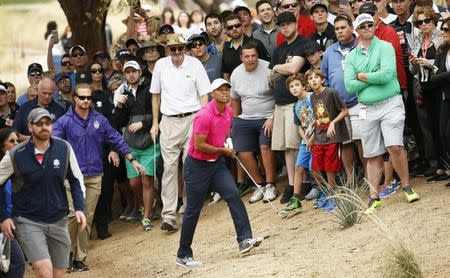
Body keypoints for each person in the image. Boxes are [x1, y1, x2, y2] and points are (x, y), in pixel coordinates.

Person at [53, 83, 145, 271]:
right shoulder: (64, 121)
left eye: (89, 98)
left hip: (95, 175)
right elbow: (53, 142)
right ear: (74, 98)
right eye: (82, 97)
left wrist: (132, 159)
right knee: (72, 215)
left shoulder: (99, 119)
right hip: (72, 177)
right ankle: (67, 255)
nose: (86, 101)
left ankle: (80, 257)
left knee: (86, 216)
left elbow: (116, 139)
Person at [176, 78, 263, 268]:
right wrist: (223, 150)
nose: (224, 92)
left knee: (233, 195)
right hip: (197, 166)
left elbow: (223, 135)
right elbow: (199, 145)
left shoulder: (229, 111)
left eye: (227, 89)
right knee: (193, 210)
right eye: (220, 90)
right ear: (212, 94)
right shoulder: (203, 115)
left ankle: (244, 240)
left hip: (215, 165)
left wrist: (226, 143)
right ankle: (183, 254)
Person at [344, 14, 420, 214]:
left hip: (390, 103)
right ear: (357, 31)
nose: (367, 27)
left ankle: (406, 186)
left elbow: (387, 75)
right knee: (371, 153)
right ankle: (374, 196)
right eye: (363, 25)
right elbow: (349, 85)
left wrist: (361, 75)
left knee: (394, 146)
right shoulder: (351, 56)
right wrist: (372, 75)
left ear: (375, 26)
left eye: (370, 24)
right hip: (366, 108)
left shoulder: (385, 47)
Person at [0, 107, 86, 278]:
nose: (44, 126)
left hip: (58, 218)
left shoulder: (64, 148)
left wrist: (79, 208)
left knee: (58, 273)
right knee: (44, 271)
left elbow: (76, 179)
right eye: (39, 124)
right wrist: (3, 216)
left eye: (48, 123)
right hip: (27, 220)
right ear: (30, 127)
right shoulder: (15, 154)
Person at [150, 34, 211, 232]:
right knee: (169, 168)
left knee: (190, 165)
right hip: (168, 120)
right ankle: (169, 215)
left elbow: (204, 94)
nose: (176, 52)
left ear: (185, 48)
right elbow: (155, 95)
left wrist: (202, 119)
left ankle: (190, 208)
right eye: (172, 49)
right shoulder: (160, 65)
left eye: (180, 48)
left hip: (192, 118)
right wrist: (155, 122)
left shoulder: (194, 64)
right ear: (167, 49)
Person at [268, 12, 311, 204]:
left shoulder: (303, 43)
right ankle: (293, 184)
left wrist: (278, 68)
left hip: (297, 103)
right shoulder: (279, 49)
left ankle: (306, 182)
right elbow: (270, 77)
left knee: (299, 144)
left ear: (296, 24)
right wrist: (279, 67)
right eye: (282, 25)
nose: (285, 27)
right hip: (280, 103)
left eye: (288, 24)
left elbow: (293, 69)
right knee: (287, 148)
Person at [114, 60, 160, 230]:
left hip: (148, 141)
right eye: (128, 72)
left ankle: (146, 216)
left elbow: (158, 112)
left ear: (140, 73)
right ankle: (145, 205)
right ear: (124, 74)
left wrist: (143, 123)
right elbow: (118, 122)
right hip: (131, 145)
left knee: (147, 179)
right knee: (134, 183)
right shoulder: (122, 92)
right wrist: (119, 106)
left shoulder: (150, 87)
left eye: (134, 71)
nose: (131, 74)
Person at [230, 44, 277, 204]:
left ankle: (271, 184)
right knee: (241, 150)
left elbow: (281, 96)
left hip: (268, 116)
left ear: (258, 56)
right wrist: (235, 119)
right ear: (241, 58)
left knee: (265, 146)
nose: (251, 59)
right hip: (246, 117)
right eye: (247, 56)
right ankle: (260, 184)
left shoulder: (269, 69)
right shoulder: (236, 73)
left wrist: (272, 116)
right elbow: (235, 98)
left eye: (253, 56)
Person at [409, 6, 445, 181]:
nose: (423, 25)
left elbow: (445, 64)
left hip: (439, 86)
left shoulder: (441, 37)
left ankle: (446, 163)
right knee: (427, 128)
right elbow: (412, 70)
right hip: (421, 86)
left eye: (426, 21)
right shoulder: (416, 40)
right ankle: (435, 164)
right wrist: (414, 63)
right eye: (419, 22)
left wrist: (429, 62)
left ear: (433, 21)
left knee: (442, 126)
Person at [307, 68, 349, 210]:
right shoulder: (312, 97)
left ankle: (332, 195)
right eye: (310, 78)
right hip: (319, 136)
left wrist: (333, 122)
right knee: (316, 169)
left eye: (316, 77)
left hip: (332, 136)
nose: (313, 80)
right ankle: (324, 193)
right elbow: (319, 117)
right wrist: (312, 127)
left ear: (322, 79)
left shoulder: (330, 92)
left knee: (330, 167)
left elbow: (344, 111)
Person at [281, 74, 315, 215]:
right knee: (299, 167)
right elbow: (299, 126)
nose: (294, 89)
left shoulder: (313, 98)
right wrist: (306, 139)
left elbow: (321, 117)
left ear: (304, 85)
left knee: (315, 167)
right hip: (305, 141)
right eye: (291, 87)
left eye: (297, 85)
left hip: (318, 137)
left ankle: (324, 191)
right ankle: (295, 199)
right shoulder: (296, 106)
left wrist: (312, 137)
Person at [0, 128, 25, 278]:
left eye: (17, 141)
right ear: (2, 146)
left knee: (9, 266)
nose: (16, 144)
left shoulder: (17, 167)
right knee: (17, 263)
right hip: (2, 223)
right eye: (11, 141)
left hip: (11, 223)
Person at [428, 18, 450, 186]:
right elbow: (435, 76)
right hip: (446, 97)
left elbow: (438, 75)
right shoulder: (442, 50)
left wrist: (440, 76)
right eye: (443, 28)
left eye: (447, 29)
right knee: (444, 134)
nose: (442, 32)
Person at [222, 13, 270, 80]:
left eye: (237, 25)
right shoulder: (225, 48)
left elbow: (268, 67)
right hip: (236, 89)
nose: (234, 29)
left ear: (242, 25)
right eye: (230, 27)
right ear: (227, 30)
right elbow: (226, 74)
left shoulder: (256, 44)